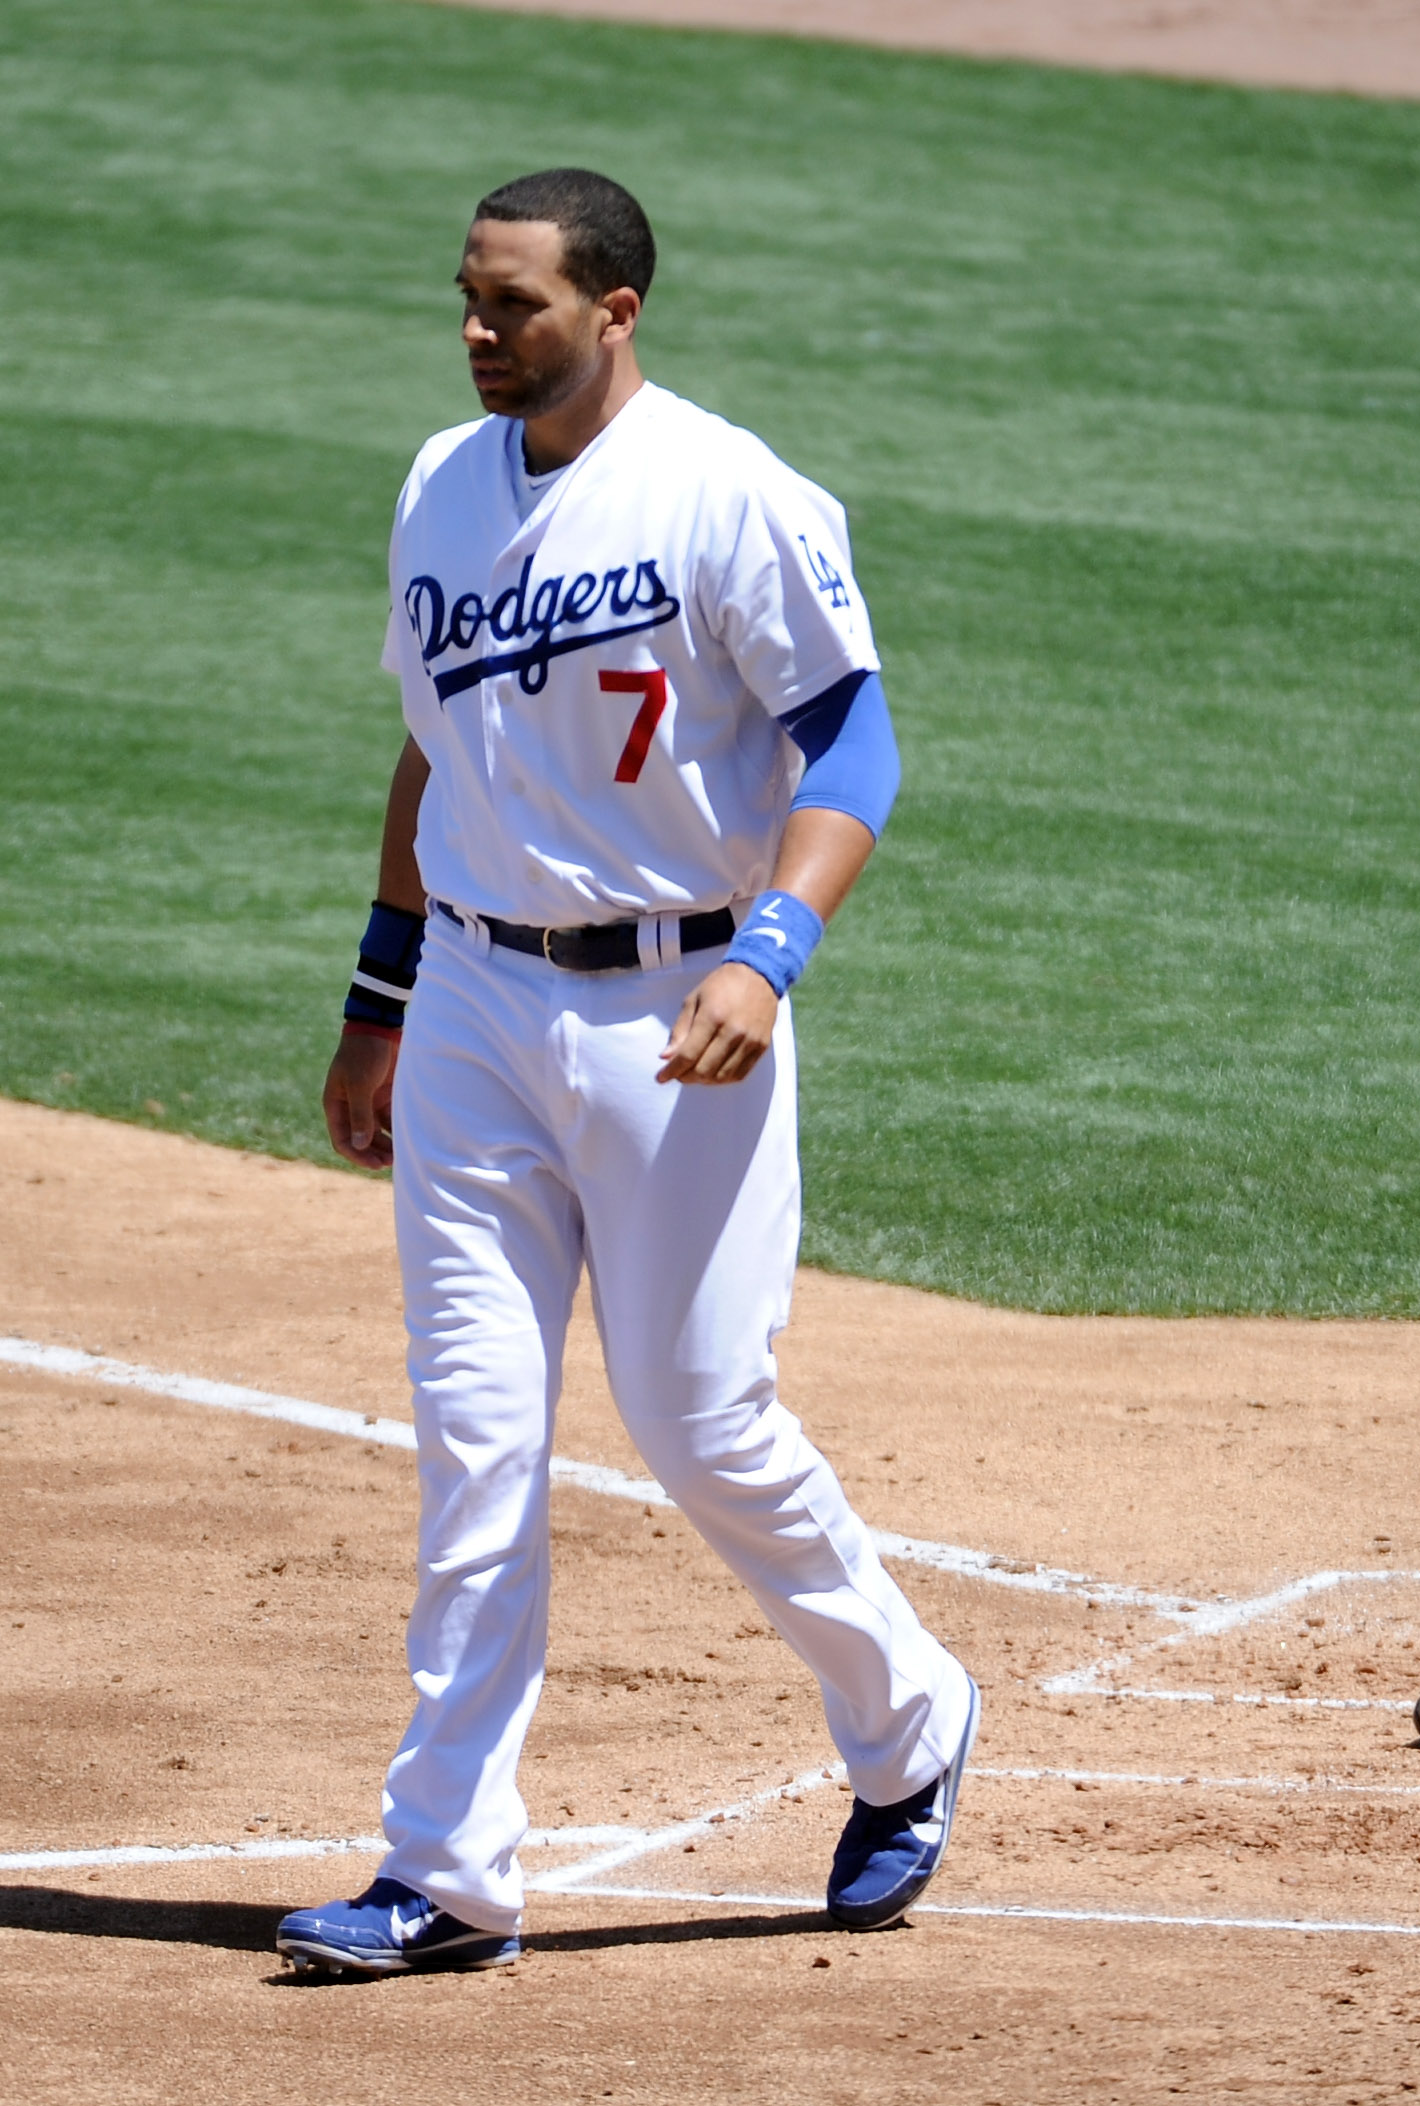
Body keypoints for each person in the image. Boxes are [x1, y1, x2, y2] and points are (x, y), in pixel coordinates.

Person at [274, 168, 978, 1976]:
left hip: (683, 1014)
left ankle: (910, 1719)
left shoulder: (727, 492)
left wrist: (772, 953)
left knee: (701, 1424)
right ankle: (447, 1872)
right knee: (478, 1444)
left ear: (616, 309)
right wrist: (380, 996)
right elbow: (435, 756)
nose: (478, 330)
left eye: (512, 303)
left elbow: (858, 747)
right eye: (466, 297)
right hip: (474, 1021)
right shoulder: (438, 482)